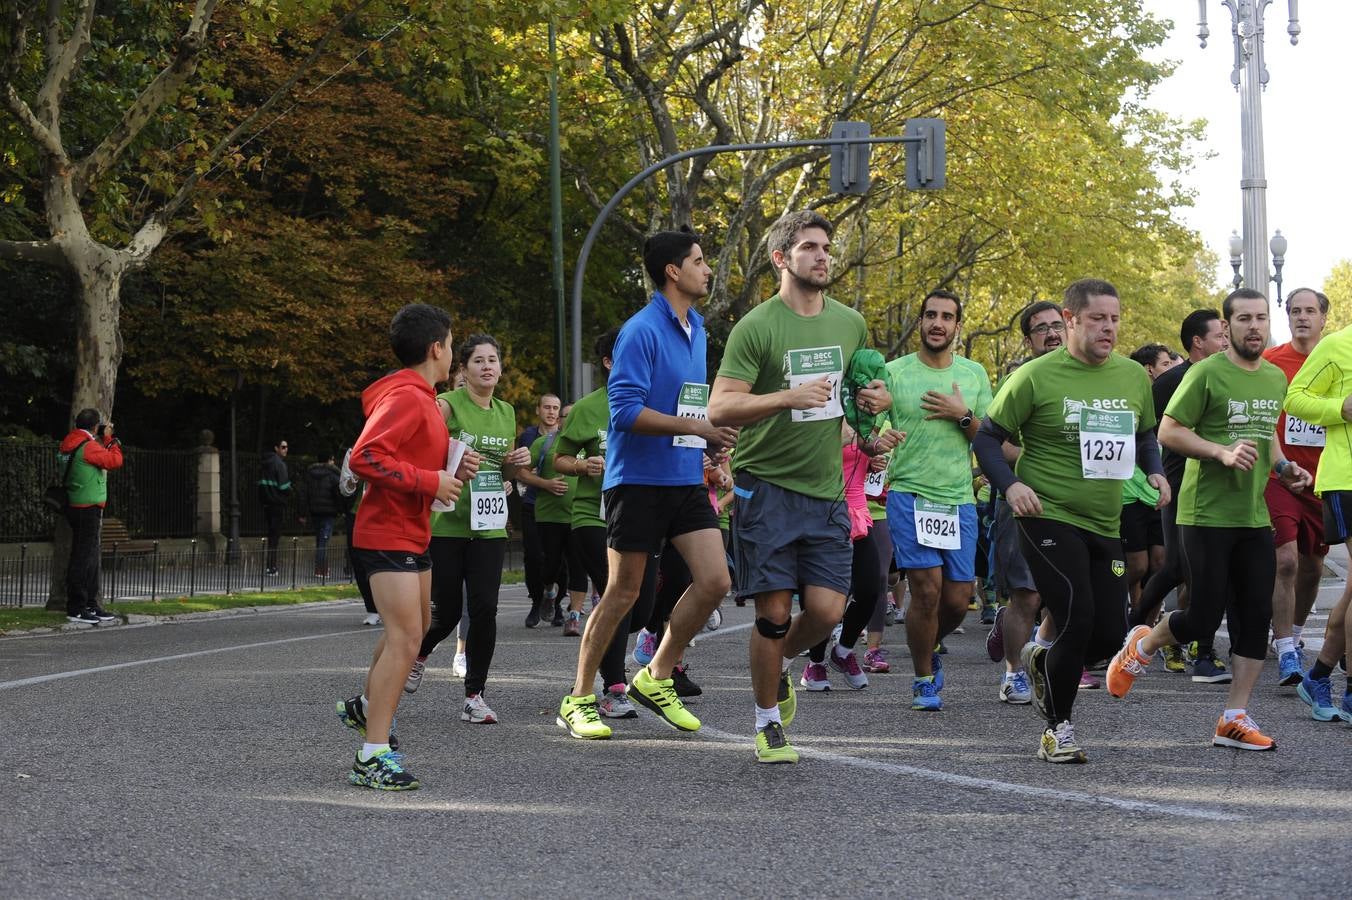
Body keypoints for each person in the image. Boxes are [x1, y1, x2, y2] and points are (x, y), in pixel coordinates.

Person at [708, 210, 890, 763]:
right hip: (767, 489)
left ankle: (778, 661)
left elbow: (862, 393)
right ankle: (767, 722)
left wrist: (876, 404)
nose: (823, 256)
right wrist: (787, 396)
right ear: (781, 258)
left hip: (828, 489)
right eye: (810, 247)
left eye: (826, 247)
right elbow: (720, 406)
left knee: (829, 612)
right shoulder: (756, 326)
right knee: (773, 614)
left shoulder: (850, 323)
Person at [1106, 288, 1310, 752]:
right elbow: (1169, 430)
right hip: (1204, 513)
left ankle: (1233, 718)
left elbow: (1266, 436)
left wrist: (1283, 469)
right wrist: (1219, 451)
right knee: (1201, 617)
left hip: (1253, 514)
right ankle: (1143, 644)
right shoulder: (1205, 374)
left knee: (1255, 617)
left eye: (1261, 318)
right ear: (1228, 328)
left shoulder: (1275, 378)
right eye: (1243, 319)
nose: (1254, 327)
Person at [556, 228, 737, 743]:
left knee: (716, 581)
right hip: (635, 481)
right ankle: (578, 697)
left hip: (683, 478)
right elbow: (626, 411)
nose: (707, 269)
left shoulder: (697, 328)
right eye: (699, 261)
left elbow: (688, 404)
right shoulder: (639, 330)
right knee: (623, 593)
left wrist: (707, 444)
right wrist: (696, 428)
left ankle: (656, 675)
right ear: (673, 272)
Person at [974, 278, 1165, 763]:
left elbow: (1144, 436)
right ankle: (1058, 729)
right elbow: (987, 440)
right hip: (1047, 513)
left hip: (1105, 517)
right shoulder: (1035, 376)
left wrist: (1157, 472)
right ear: (1071, 319)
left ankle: (1040, 659)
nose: (1109, 328)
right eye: (1098, 318)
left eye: (1115, 318)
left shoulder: (1130, 377)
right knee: (1076, 618)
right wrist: (1012, 486)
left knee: (1108, 633)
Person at [335, 303, 472, 791]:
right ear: (436, 348)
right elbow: (367, 455)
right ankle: (372, 753)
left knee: (411, 635)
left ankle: (367, 709)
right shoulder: (410, 399)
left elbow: (413, 464)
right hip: (386, 532)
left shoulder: (424, 399)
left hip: (412, 532)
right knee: (404, 639)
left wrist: (453, 469)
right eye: (452, 344)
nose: (453, 353)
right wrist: (430, 480)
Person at [403, 334, 532, 725]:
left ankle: (475, 695)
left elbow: (506, 470)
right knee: (444, 614)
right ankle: (418, 655)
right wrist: (452, 461)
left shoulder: (507, 411)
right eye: (478, 361)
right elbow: (422, 451)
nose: (487, 367)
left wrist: (517, 463)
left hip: (490, 525)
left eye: (493, 360)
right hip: (448, 522)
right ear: (463, 369)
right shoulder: (446, 405)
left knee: (484, 610)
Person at [884, 289, 992, 711]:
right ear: (920, 322)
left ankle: (929, 644)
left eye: (947, 316)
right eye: (930, 315)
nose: (937, 323)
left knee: (957, 598)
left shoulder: (974, 374)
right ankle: (923, 677)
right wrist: (878, 439)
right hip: (910, 494)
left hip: (959, 499)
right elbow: (870, 429)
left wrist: (961, 415)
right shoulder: (894, 373)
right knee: (926, 591)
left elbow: (989, 439)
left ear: (957, 327)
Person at [1130, 308, 1230, 680]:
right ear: (1198, 342)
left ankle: (1202, 650)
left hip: (1225, 492)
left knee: (1212, 570)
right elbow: (1146, 434)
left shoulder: (1231, 377)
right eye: (1220, 334)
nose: (1226, 339)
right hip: (1180, 488)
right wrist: (1153, 478)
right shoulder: (1169, 382)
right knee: (1176, 568)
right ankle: (1135, 627)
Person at [984, 300, 1062, 703]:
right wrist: (1042, 464)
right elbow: (995, 444)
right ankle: (1014, 671)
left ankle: (1044, 657)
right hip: (1025, 499)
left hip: (1077, 503)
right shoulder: (1021, 379)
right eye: (1040, 329)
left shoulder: (1093, 377)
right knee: (1027, 595)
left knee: (1065, 594)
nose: (1051, 333)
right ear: (1029, 339)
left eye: (1056, 325)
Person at [1281, 298, 1352, 723]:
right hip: (1346, 478)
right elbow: (1295, 398)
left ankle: (1320, 674)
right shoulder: (1338, 346)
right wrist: (1339, 408)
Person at [1263, 288, 1330, 685]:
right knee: (1285, 560)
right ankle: (1286, 648)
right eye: (1294, 311)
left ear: (1324, 317)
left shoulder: (1339, 359)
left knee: (1313, 565)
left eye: (1309, 311)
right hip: (1281, 477)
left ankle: (1297, 633)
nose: (1301, 317)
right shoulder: (1272, 362)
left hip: (1325, 481)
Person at [59, 409, 124, 625]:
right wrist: (110, 438)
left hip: (76, 504)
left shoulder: (71, 441)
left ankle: (89, 604)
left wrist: (100, 439)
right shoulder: (87, 446)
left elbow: (96, 458)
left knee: (88, 555)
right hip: (87, 508)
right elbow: (115, 460)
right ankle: (77, 607)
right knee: (83, 557)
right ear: (95, 427)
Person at [517, 394, 562, 627]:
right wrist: (543, 483)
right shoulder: (527, 436)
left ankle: (558, 602)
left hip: (560, 508)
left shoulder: (566, 437)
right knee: (533, 557)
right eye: (547, 407)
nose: (551, 412)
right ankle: (536, 602)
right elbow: (520, 471)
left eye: (556, 408)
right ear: (538, 410)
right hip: (533, 504)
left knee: (560, 558)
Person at [258, 439, 292, 576]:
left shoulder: (265, 464)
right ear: (276, 448)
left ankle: (269, 566)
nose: (285, 450)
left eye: (286, 447)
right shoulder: (280, 465)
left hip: (267, 503)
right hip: (277, 504)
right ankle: (272, 567)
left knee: (270, 536)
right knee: (274, 538)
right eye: (283, 447)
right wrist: (290, 490)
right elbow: (284, 487)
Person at [305, 452, 342, 577]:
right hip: (329, 512)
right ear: (330, 459)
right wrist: (340, 508)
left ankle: (320, 568)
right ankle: (322, 569)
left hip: (315, 511)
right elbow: (339, 493)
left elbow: (305, 492)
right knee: (324, 541)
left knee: (319, 540)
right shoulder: (333, 474)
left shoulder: (310, 474)